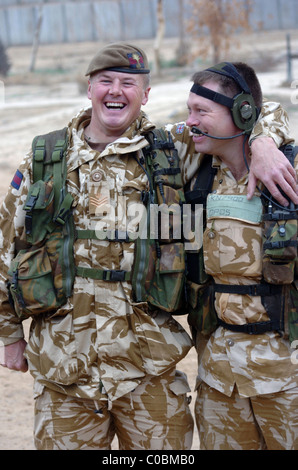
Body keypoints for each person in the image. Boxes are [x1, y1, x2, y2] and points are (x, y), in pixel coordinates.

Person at [0, 43, 296, 451]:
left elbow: (256, 110)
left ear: (146, 93)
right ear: (89, 88)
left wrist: (263, 142)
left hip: (147, 367)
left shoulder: (172, 148)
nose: (115, 91)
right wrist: (9, 333)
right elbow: (7, 244)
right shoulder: (45, 157)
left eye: (128, 83)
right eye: (106, 81)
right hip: (63, 366)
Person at [185, 61, 298, 450]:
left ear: (242, 113)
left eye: (201, 112)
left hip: (287, 376)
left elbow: (271, 110)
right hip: (220, 377)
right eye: (188, 110)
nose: (190, 122)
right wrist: (261, 138)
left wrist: (264, 142)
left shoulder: (290, 172)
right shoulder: (198, 170)